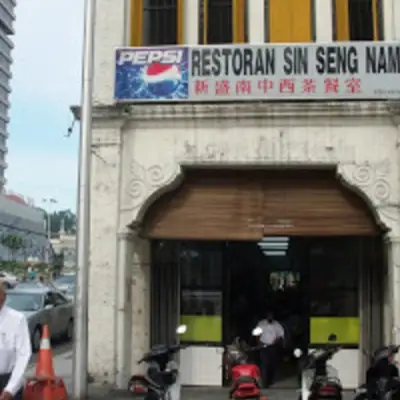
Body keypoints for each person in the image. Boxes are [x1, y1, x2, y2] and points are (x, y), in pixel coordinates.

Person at [0, 282, 32, 399]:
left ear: (3, 297)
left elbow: (23, 354)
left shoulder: (16, 319)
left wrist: (10, 389)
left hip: (7, 380)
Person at [256, 310, 284, 388]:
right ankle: (264, 383)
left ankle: (269, 381)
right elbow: (257, 335)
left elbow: (281, 335)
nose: (270, 317)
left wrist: (276, 341)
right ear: (266, 316)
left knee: (272, 365)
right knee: (264, 364)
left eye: (271, 316)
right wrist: (259, 343)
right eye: (269, 315)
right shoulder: (261, 324)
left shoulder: (277, 325)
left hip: (273, 347)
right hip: (263, 346)